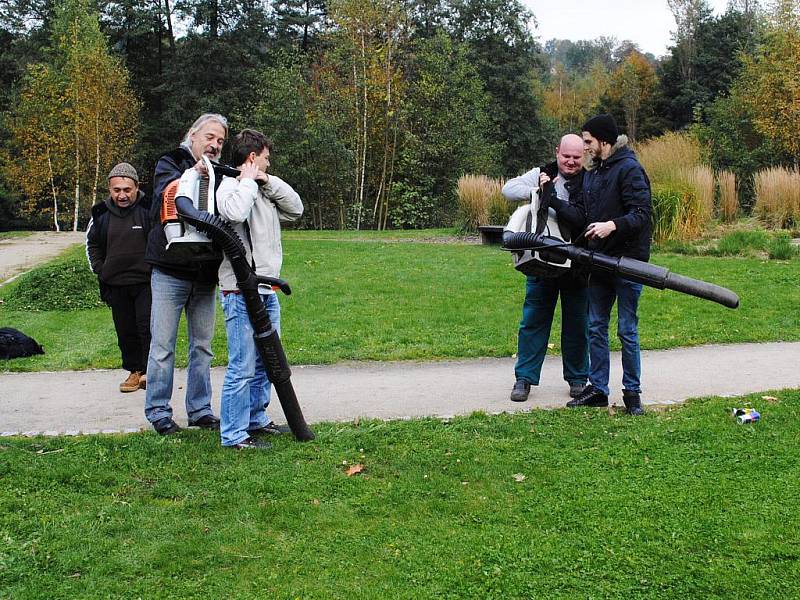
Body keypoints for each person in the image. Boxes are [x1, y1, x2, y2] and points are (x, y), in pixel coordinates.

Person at [216, 129, 304, 450]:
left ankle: (256, 418)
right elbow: (234, 213)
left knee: (266, 360)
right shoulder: (228, 188)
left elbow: (296, 209)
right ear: (253, 158)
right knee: (242, 364)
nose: (269, 163)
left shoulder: (265, 189)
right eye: (266, 159)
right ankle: (234, 435)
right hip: (239, 291)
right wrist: (249, 181)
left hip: (266, 290)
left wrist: (266, 181)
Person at [143, 113, 228, 435]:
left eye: (220, 140)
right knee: (163, 346)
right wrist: (194, 174)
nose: (215, 145)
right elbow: (168, 196)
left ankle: (200, 409)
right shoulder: (170, 163)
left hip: (205, 273)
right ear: (192, 136)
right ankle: (158, 411)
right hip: (169, 270)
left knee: (202, 346)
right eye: (209, 137)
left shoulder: (220, 173)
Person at [567, 114, 652, 415]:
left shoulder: (629, 169)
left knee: (627, 329)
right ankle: (598, 390)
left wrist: (612, 225)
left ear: (604, 141)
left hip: (629, 262)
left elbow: (642, 214)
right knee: (595, 326)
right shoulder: (593, 173)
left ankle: (633, 394)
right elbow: (583, 211)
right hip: (599, 261)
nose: (585, 147)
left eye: (588, 142)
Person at [502, 134, 589, 402]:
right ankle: (524, 378)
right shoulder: (543, 173)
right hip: (541, 261)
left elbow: (582, 218)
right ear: (557, 153)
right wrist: (538, 191)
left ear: (583, 156)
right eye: (566, 156)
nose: (571, 162)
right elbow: (507, 190)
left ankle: (577, 379)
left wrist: (552, 199)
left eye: (576, 157)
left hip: (577, 262)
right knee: (533, 319)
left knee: (577, 322)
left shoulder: (591, 181)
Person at [86, 163, 152, 393]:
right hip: (115, 283)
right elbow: (91, 244)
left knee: (148, 327)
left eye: (127, 189)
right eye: (117, 190)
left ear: (136, 188)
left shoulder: (149, 208)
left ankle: (150, 372)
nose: (122, 195)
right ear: (109, 189)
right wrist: (100, 269)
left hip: (146, 282)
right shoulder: (100, 213)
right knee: (125, 330)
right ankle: (134, 371)